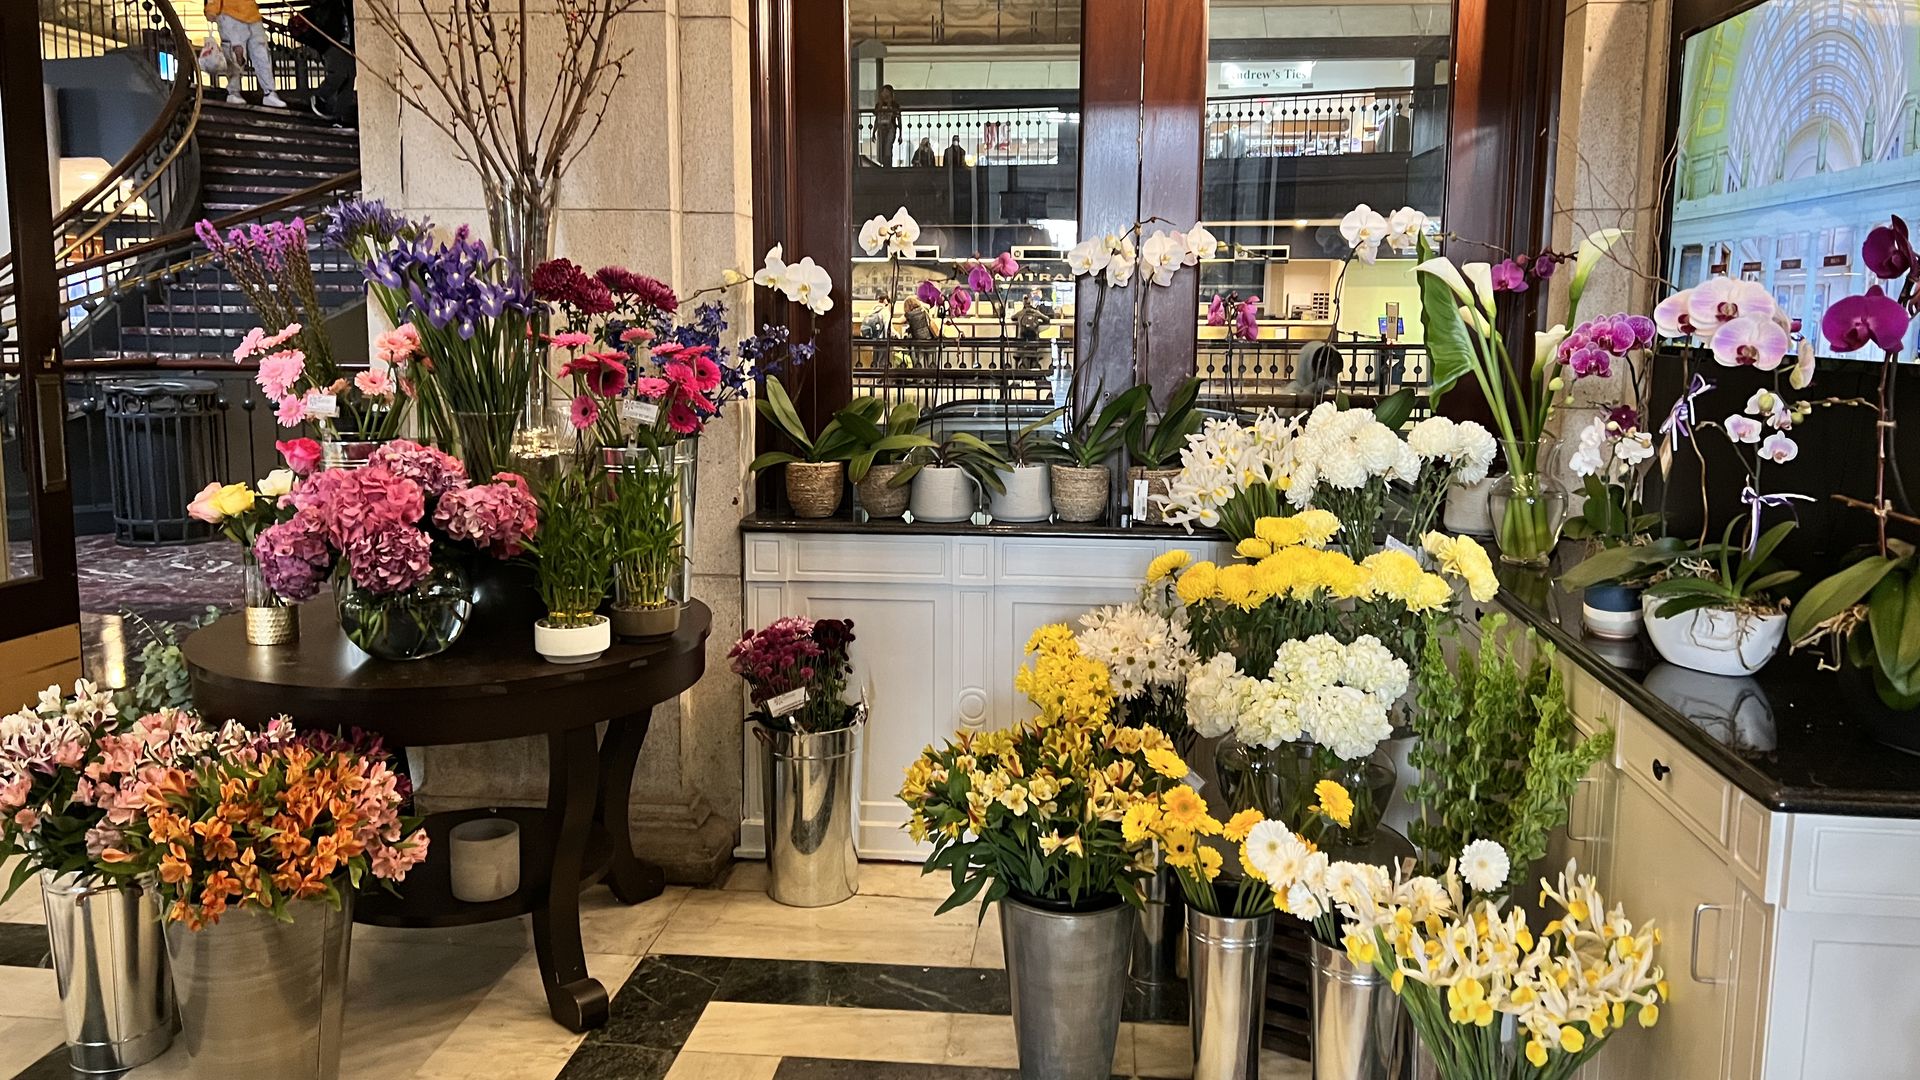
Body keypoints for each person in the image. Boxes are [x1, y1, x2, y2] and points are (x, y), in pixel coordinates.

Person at [206, 0, 285, 109]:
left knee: (261, 56)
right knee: (236, 56)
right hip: (230, 15)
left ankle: (269, 93)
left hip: (251, 17)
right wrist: (211, 8)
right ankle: (234, 92)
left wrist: (211, 9)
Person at [295, 0, 354, 125]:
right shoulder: (328, 6)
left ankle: (340, 115)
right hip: (332, 42)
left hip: (346, 43)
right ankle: (322, 96)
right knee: (339, 74)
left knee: (349, 76)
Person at [872, 84, 901, 167]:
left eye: (886, 91)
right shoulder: (878, 105)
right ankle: (884, 165)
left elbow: (899, 119)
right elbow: (877, 119)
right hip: (881, 127)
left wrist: (900, 134)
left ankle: (888, 166)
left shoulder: (894, 105)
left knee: (888, 147)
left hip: (891, 127)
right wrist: (874, 131)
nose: (884, 93)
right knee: (882, 147)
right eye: (883, 91)